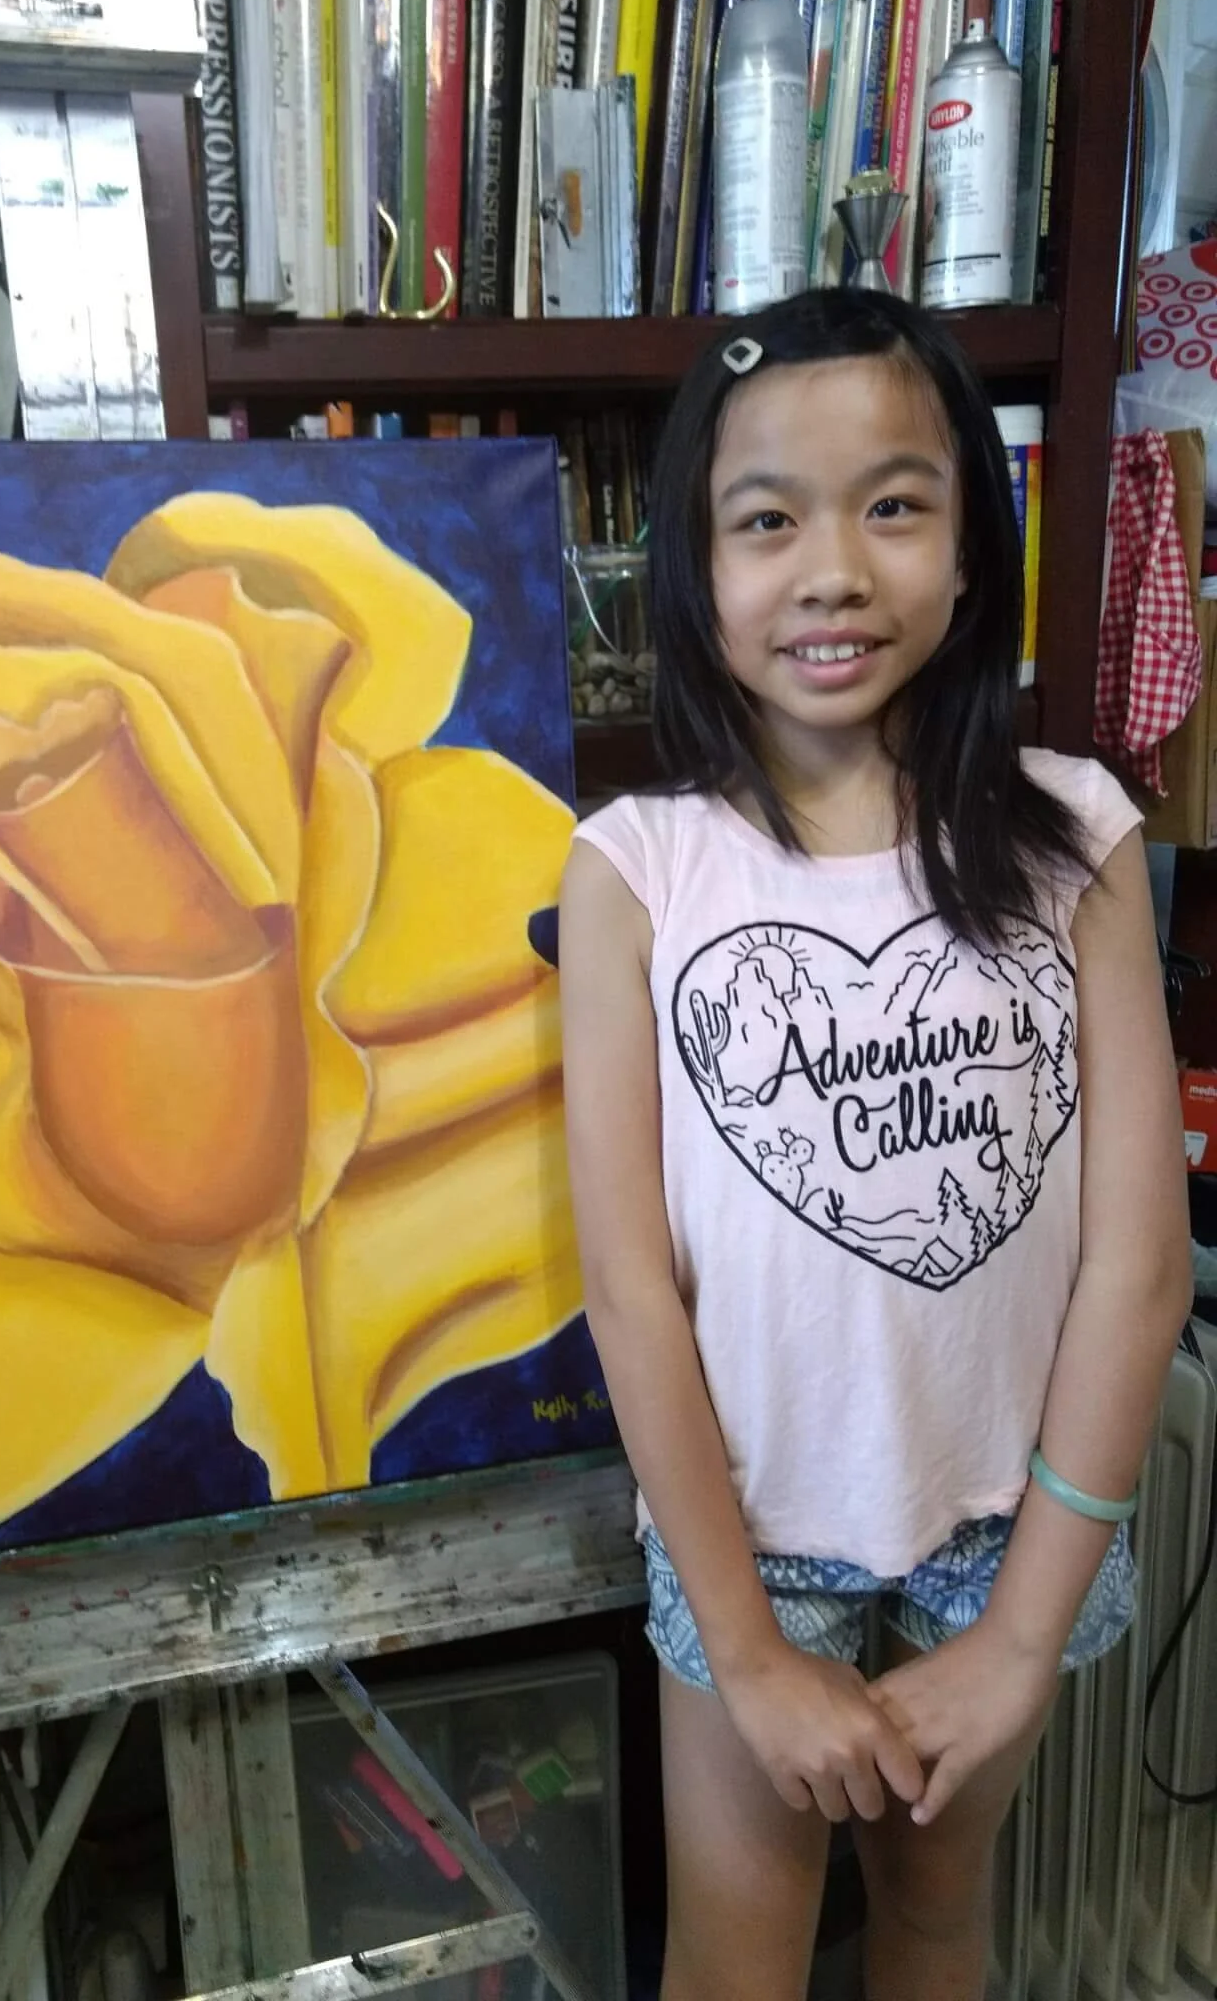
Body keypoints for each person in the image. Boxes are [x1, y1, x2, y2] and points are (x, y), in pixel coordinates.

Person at [558, 287, 1192, 2001]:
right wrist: (752, 1657)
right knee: (738, 1957)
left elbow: (1136, 1272)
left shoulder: (1081, 841)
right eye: (768, 519)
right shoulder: (636, 870)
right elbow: (629, 1289)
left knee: (932, 1921)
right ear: (697, 568)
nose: (833, 568)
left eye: (894, 505)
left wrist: (1022, 1638)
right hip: (749, 1539)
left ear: (974, 551)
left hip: (1013, 1527)